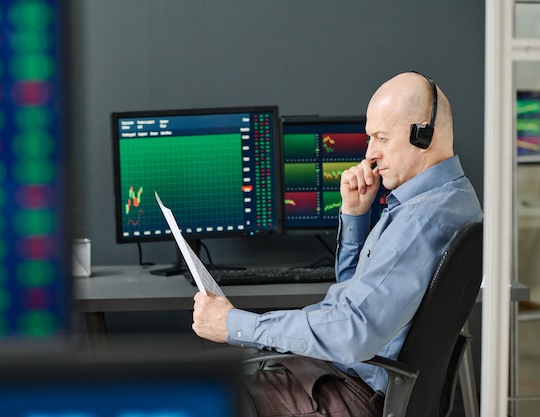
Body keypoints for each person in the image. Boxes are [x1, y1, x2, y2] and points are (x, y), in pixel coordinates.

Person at [192, 71, 483, 417]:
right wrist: (356, 215)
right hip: (352, 378)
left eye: (381, 138)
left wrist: (235, 325)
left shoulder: (420, 222)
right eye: (369, 138)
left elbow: (352, 332)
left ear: (423, 135)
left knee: (199, 398)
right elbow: (356, 296)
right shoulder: (453, 199)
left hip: (353, 393)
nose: (370, 154)